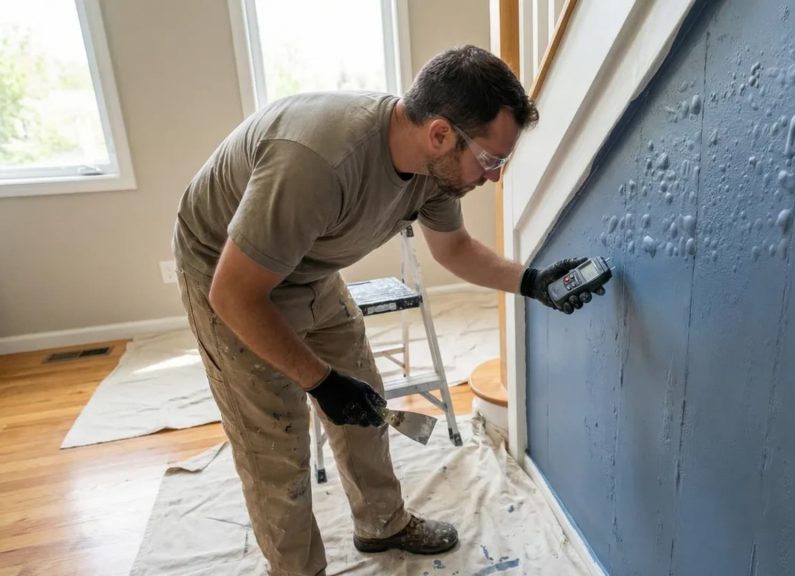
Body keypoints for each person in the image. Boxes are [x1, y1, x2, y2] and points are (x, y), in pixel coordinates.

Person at [172, 44, 602, 575]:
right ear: (441, 133)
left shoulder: (436, 167)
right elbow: (234, 294)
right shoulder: (317, 162)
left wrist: (533, 282)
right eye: (490, 159)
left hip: (306, 267)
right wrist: (318, 381)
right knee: (276, 447)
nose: (492, 176)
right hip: (228, 272)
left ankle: (382, 523)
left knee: (364, 401)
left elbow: (454, 250)